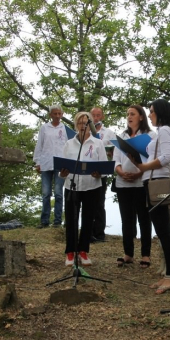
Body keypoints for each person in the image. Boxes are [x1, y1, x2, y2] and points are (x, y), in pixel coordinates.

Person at [131, 98, 170, 294]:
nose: (150, 115)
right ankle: (168, 275)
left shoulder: (165, 130)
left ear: (160, 112)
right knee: (162, 231)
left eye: (151, 111)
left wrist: (143, 167)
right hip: (153, 180)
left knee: (164, 231)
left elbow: (168, 157)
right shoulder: (166, 131)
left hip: (159, 181)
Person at [59, 111, 107, 266]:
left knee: (88, 220)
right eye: (79, 123)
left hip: (92, 186)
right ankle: (70, 252)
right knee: (71, 219)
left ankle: (83, 251)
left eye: (85, 123)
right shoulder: (69, 144)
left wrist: (99, 173)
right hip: (72, 185)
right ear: (75, 125)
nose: (82, 126)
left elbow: (105, 167)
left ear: (90, 125)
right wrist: (63, 173)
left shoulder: (97, 143)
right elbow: (61, 167)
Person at [113, 105, 155, 268]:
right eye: (127, 114)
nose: (129, 116)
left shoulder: (150, 135)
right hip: (123, 183)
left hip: (142, 182)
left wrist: (139, 173)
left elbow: (152, 159)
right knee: (126, 219)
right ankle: (128, 253)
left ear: (141, 117)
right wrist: (121, 172)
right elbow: (116, 159)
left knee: (144, 219)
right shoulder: (122, 136)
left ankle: (146, 255)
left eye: (132, 114)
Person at [33, 105, 67, 229]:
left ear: (62, 115)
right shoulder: (44, 128)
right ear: (50, 115)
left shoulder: (64, 129)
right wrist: (37, 162)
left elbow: (68, 146)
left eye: (59, 114)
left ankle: (57, 221)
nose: (57, 116)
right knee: (46, 193)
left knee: (58, 193)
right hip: (46, 162)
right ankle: (44, 221)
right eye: (55, 114)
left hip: (60, 164)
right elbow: (39, 145)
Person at [89, 107, 116, 242]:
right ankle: (88, 232)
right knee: (87, 203)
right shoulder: (85, 131)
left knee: (99, 203)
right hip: (87, 172)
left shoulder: (109, 133)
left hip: (101, 172)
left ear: (102, 117)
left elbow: (115, 150)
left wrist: (111, 153)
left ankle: (99, 233)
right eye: (93, 115)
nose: (95, 118)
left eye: (98, 115)